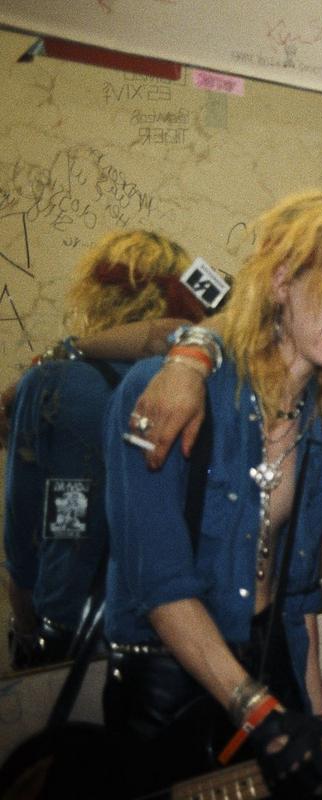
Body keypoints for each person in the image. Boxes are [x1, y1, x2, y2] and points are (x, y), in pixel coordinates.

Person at [102, 190, 322, 797]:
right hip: (171, 688)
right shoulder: (163, 391)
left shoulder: (318, 424)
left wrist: (315, 724)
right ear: (283, 280)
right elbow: (160, 586)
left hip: (270, 671)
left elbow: (297, 599)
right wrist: (258, 713)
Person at [3, 230, 209, 670]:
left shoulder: (53, 381)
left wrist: (25, 628)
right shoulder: (197, 379)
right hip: (185, 628)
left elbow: (22, 535)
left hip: (70, 625)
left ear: (96, 295)